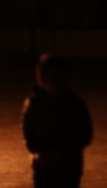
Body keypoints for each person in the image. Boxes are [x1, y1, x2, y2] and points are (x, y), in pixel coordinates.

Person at [22, 53, 93, 188]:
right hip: (44, 165)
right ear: (43, 79)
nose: (57, 81)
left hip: (69, 165)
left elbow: (85, 134)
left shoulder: (76, 104)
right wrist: (37, 151)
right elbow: (28, 130)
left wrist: (60, 152)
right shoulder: (34, 103)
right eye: (53, 77)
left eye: (61, 77)